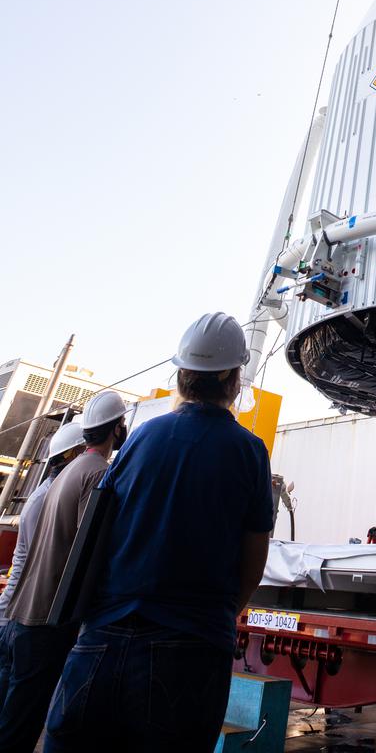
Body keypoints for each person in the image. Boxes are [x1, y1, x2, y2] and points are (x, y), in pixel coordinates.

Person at [44, 312, 274, 753]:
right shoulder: (249, 451)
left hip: (101, 641)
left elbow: (102, 527)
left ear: (182, 374)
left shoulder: (141, 437)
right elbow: (253, 563)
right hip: (189, 651)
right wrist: (217, 615)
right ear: (234, 377)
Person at [0, 392, 128, 752]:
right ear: (116, 429)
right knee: (22, 726)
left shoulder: (65, 474)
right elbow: (91, 547)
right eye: (122, 424)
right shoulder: (97, 473)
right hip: (46, 622)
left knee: (14, 719)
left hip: (24, 617)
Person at [0, 422, 86, 710]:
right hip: (19, 619)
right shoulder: (46, 499)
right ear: (71, 454)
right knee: (15, 710)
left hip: (19, 616)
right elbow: (33, 565)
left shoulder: (50, 493)